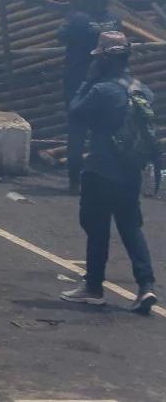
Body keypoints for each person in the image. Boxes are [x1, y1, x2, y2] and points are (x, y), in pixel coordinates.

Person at [60, 31, 157, 313]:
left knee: (97, 228)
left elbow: (75, 111)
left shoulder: (101, 90)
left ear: (102, 59)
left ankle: (93, 287)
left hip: (101, 170)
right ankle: (146, 286)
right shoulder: (143, 90)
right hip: (131, 172)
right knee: (131, 228)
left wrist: (88, 79)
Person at [58, 0, 120, 193]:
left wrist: (72, 9)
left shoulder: (78, 19)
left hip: (78, 84)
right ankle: (101, 179)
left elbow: (60, 36)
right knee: (102, 134)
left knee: (76, 133)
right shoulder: (114, 20)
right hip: (107, 84)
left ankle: (74, 181)